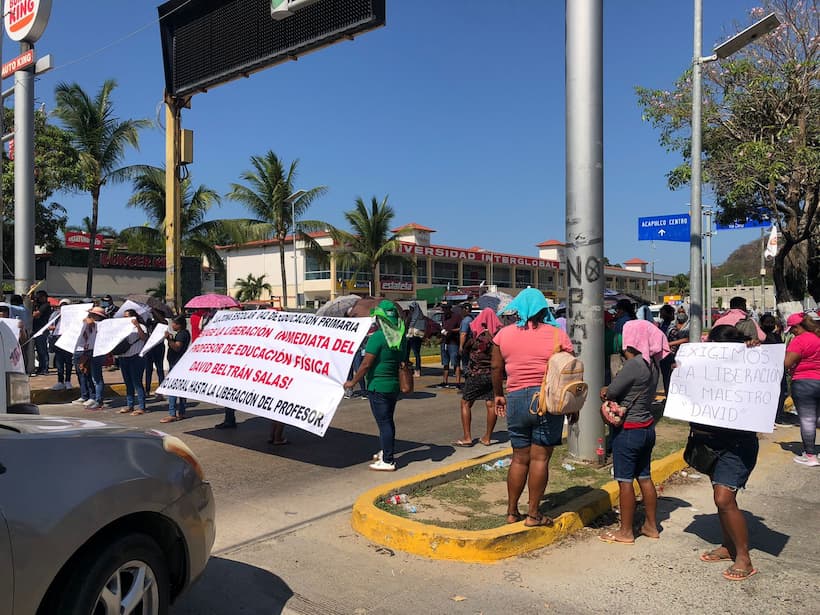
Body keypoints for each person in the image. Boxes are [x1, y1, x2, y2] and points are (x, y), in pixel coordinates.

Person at [491, 288, 576, 526]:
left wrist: (499, 395)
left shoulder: (503, 335)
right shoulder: (559, 336)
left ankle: (511, 512)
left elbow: (496, 369)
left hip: (516, 398)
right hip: (547, 401)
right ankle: (533, 514)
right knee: (540, 459)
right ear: (543, 309)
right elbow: (569, 373)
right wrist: (572, 406)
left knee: (519, 458)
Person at [695, 325, 762, 581]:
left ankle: (744, 558)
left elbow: (768, 379)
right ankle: (727, 546)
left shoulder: (751, 364)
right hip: (712, 442)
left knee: (724, 499)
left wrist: (756, 354)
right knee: (719, 497)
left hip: (738, 444)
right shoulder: (706, 366)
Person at [598, 319, 669, 544]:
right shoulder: (652, 364)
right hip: (647, 426)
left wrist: (606, 390)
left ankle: (626, 531)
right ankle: (651, 525)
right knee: (645, 477)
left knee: (624, 480)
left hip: (629, 430)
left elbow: (613, 392)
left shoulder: (634, 365)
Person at [344, 300, 407, 471]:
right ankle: (386, 451)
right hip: (393, 385)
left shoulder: (378, 337)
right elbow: (402, 360)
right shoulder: (400, 336)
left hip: (378, 386)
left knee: (384, 423)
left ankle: (388, 460)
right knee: (388, 421)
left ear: (381, 319)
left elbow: (365, 365)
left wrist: (352, 382)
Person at [453, 307, 502, 447]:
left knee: (466, 403)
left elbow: (466, 349)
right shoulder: (497, 338)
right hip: (492, 375)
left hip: (476, 375)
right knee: (491, 404)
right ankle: (487, 437)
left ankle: (467, 437)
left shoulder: (478, 338)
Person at [783, 313, 820, 466]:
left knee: (807, 419)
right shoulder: (817, 337)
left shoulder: (799, 341)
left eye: (792, 329)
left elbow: (787, 363)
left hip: (804, 382)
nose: (791, 332)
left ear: (797, 327)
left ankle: (810, 455)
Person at [115, 309, 149, 416]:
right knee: (128, 383)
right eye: (124, 317)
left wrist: (137, 325)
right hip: (123, 357)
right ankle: (130, 405)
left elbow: (144, 338)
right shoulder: (122, 328)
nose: (126, 319)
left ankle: (142, 406)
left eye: (128, 317)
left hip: (136, 357)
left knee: (137, 382)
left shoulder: (142, 326)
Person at [73, 307, 107, 409]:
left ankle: (98, 399)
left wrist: (87, 318)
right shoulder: (93, 324)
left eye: (92, 314)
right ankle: (95, 398)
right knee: (87, 373)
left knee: (96, 378)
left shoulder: (98, 324)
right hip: (89, 350)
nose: (90, 315)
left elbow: (90, 323)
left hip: (96, 352)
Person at [759, 313, 789, 426]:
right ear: (761, 323)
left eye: (772, 322)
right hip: (763, 372)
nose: (770, 324)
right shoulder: (759, 337)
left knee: (780, 393)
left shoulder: (776, 336)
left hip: (777, 370)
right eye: (767, 322)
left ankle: (777, 416)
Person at [164, 315, 191, 423]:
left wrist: (169, 339)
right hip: (179, 363)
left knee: (173, 389)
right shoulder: (182, 333)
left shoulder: (182, 334)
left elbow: (177, 347)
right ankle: (182, 412)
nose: (172, 325)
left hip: (176, 364)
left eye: (174, 323)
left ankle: (172, 413)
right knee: (180, 389)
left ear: (179, 325)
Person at [660, 308, 689, 396]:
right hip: (668, 355)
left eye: (682, 312)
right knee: (669, 379)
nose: (680, 314)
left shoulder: (688, 326)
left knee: (671, 379)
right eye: (678, 312)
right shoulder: (667, 326)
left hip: (672, 355)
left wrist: (668, 344)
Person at [48, 299, 74, 391]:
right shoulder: (55, 315)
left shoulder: (72, 316)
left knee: (68, 361)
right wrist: (54, 328)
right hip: (57, 339)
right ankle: (60, 381)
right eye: (61, 306)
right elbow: (49, 326)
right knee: (59, 361)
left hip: (68, 340)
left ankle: (68, 380)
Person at [436, 301, 462, 388]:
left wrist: (451, 331)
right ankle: (445, 381)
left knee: (456, 363)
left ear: (449, 308)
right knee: (445, 363)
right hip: (444, 342)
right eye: (443, 308)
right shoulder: (443, 317)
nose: (444, 310)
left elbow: (460, 328)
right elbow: (442, 326)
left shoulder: (457, 317)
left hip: (453, 343)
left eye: (445, 308)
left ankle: (458, 383)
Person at [144, 309, 167, 397]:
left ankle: (161, 391)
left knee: (159, 369)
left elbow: (163, 321)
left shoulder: (162, 323)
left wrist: (154, 311)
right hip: (149, 348)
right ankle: (147, 390)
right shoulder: (150, 322)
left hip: (158, 347)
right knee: (148, 370)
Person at [31, 290, 53, 376]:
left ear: (44, 297)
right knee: (39, 351)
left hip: (42, 330)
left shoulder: (46, 306)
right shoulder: (39, 305)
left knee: (42, 350)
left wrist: (32, 306)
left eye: (39, 297)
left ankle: (45, 368)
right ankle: (41, 368)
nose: (38, 299)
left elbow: (36, 314)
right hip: (36, 329)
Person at [405, 301, 427, 377]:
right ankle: (408, 367)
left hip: (415, 337)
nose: (410, 309)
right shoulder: (413, 316)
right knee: (407, 352)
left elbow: (421, 329)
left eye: (411, 308)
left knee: (416, 353)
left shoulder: (418, 318)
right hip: (411, 336)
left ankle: (417, 370)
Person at [455, 302, 474, 389]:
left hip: (466, 345)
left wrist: (461, 346)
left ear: (466, 310)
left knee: (466, 365)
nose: (461, 311)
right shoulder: (472, 318)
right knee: (470, 364)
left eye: (462, 309)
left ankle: (468, 385)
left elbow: (463, 334)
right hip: (471, 345)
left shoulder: (466, 320)